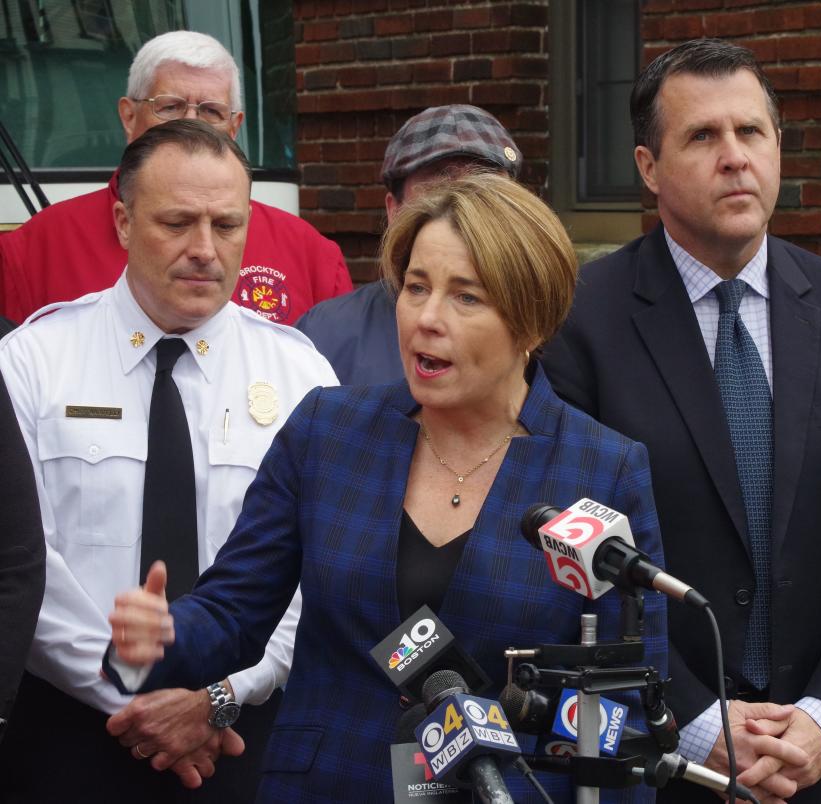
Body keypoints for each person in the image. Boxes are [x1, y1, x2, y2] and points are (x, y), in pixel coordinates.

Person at [104, 171, 668, 802]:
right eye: (416, 287)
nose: (426, 319)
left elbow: (623, 711)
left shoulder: (601, 469)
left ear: (532, 324)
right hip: (325, 783)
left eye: (466, 297)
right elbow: (234, 611)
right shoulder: (329, 430)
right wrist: (164, 634)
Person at [542, 38, 821, 804]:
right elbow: (569, 552)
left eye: (750, 132)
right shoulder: (579, 322)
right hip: (661, 758)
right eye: (702, 136)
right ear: (647, 168)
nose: (734, 157)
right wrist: (694, 720)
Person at [0, 120, 338, 802]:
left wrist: (215, 698)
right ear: (122, 221)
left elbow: (319, 570)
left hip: (240, 736)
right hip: (69, 734)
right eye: (178, 222)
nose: (205, 250)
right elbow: (22, 565)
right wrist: (132, 696)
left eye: (227, 224)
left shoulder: (301, 375)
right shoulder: (33, 362)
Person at [0, 30, 352, 325]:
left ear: (235, 126)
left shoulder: (312, 257)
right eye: (169, 106)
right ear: (128, 116)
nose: (191, 124)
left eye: (211, 111)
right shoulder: (32, 253)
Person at [296, 104, 522, 385]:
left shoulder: (550, 329)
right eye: (440, 194)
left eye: (484, 194)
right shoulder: (325, 334)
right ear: (394, 210)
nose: (462, 212)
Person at [0, 367, 45, 743]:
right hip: (63, 697)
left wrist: (221, 694)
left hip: (242, 711)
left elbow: (18, 560)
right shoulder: (27, 355)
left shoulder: (270, 354)